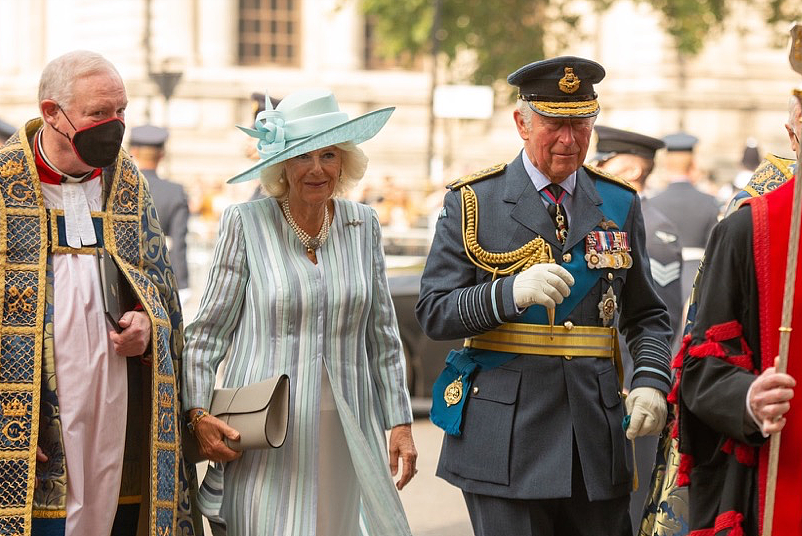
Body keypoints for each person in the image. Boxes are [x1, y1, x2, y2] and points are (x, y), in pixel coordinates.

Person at [416, 56, 673, 536]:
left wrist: (652, 381)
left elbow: (647, 315)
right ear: (521, 122)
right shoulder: (475, 200)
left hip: (595, 434)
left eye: (582, 124)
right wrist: (505, 294)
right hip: (506, 434)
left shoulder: (617, 201)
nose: (570, 140)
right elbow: (434, 312)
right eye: (555, 124)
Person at [182, 88, 417, 536]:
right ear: (280, 167)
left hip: (349, 431)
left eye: (328, 154)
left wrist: (400, 423)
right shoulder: (245, 223)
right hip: (266, 433)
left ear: (344, 162)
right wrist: (197, 413)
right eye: (301, 155)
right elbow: (207, 334)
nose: (316, 168)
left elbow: (383, 338)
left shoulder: (362, 224)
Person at [0, 51, 198, 536]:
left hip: (116, 407)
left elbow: (159, 288)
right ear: (51, 112)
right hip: (29, 412)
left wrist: (148, 327)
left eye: (121, 111)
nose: (114, 125)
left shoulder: (126, 181)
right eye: (98, 114)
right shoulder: (4, 183)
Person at [638, 91, 802, 536]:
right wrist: (749, 398)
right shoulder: (748, 227)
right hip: (781, 473)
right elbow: (701, 367)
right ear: (793, 135)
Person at [593, 125, 683, 535]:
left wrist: (637, 379)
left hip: (629, 388)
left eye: (601, 164)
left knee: (628, 503)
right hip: (600, 383)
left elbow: (652, 317)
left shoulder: (653, 229)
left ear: (628, 170)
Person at [650, 132, 720, 301]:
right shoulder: (710, 202)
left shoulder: (652, 202)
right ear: (693, 163)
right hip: (697, 276)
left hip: (658, 277)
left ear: (666, 162)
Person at [129, 125, 190, 301]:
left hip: (126, 278)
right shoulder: (175, 192)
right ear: (161, 155)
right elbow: (179, 242)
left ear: (134, 151)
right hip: (162, 279)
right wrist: (183, 283)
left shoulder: (121, 188)